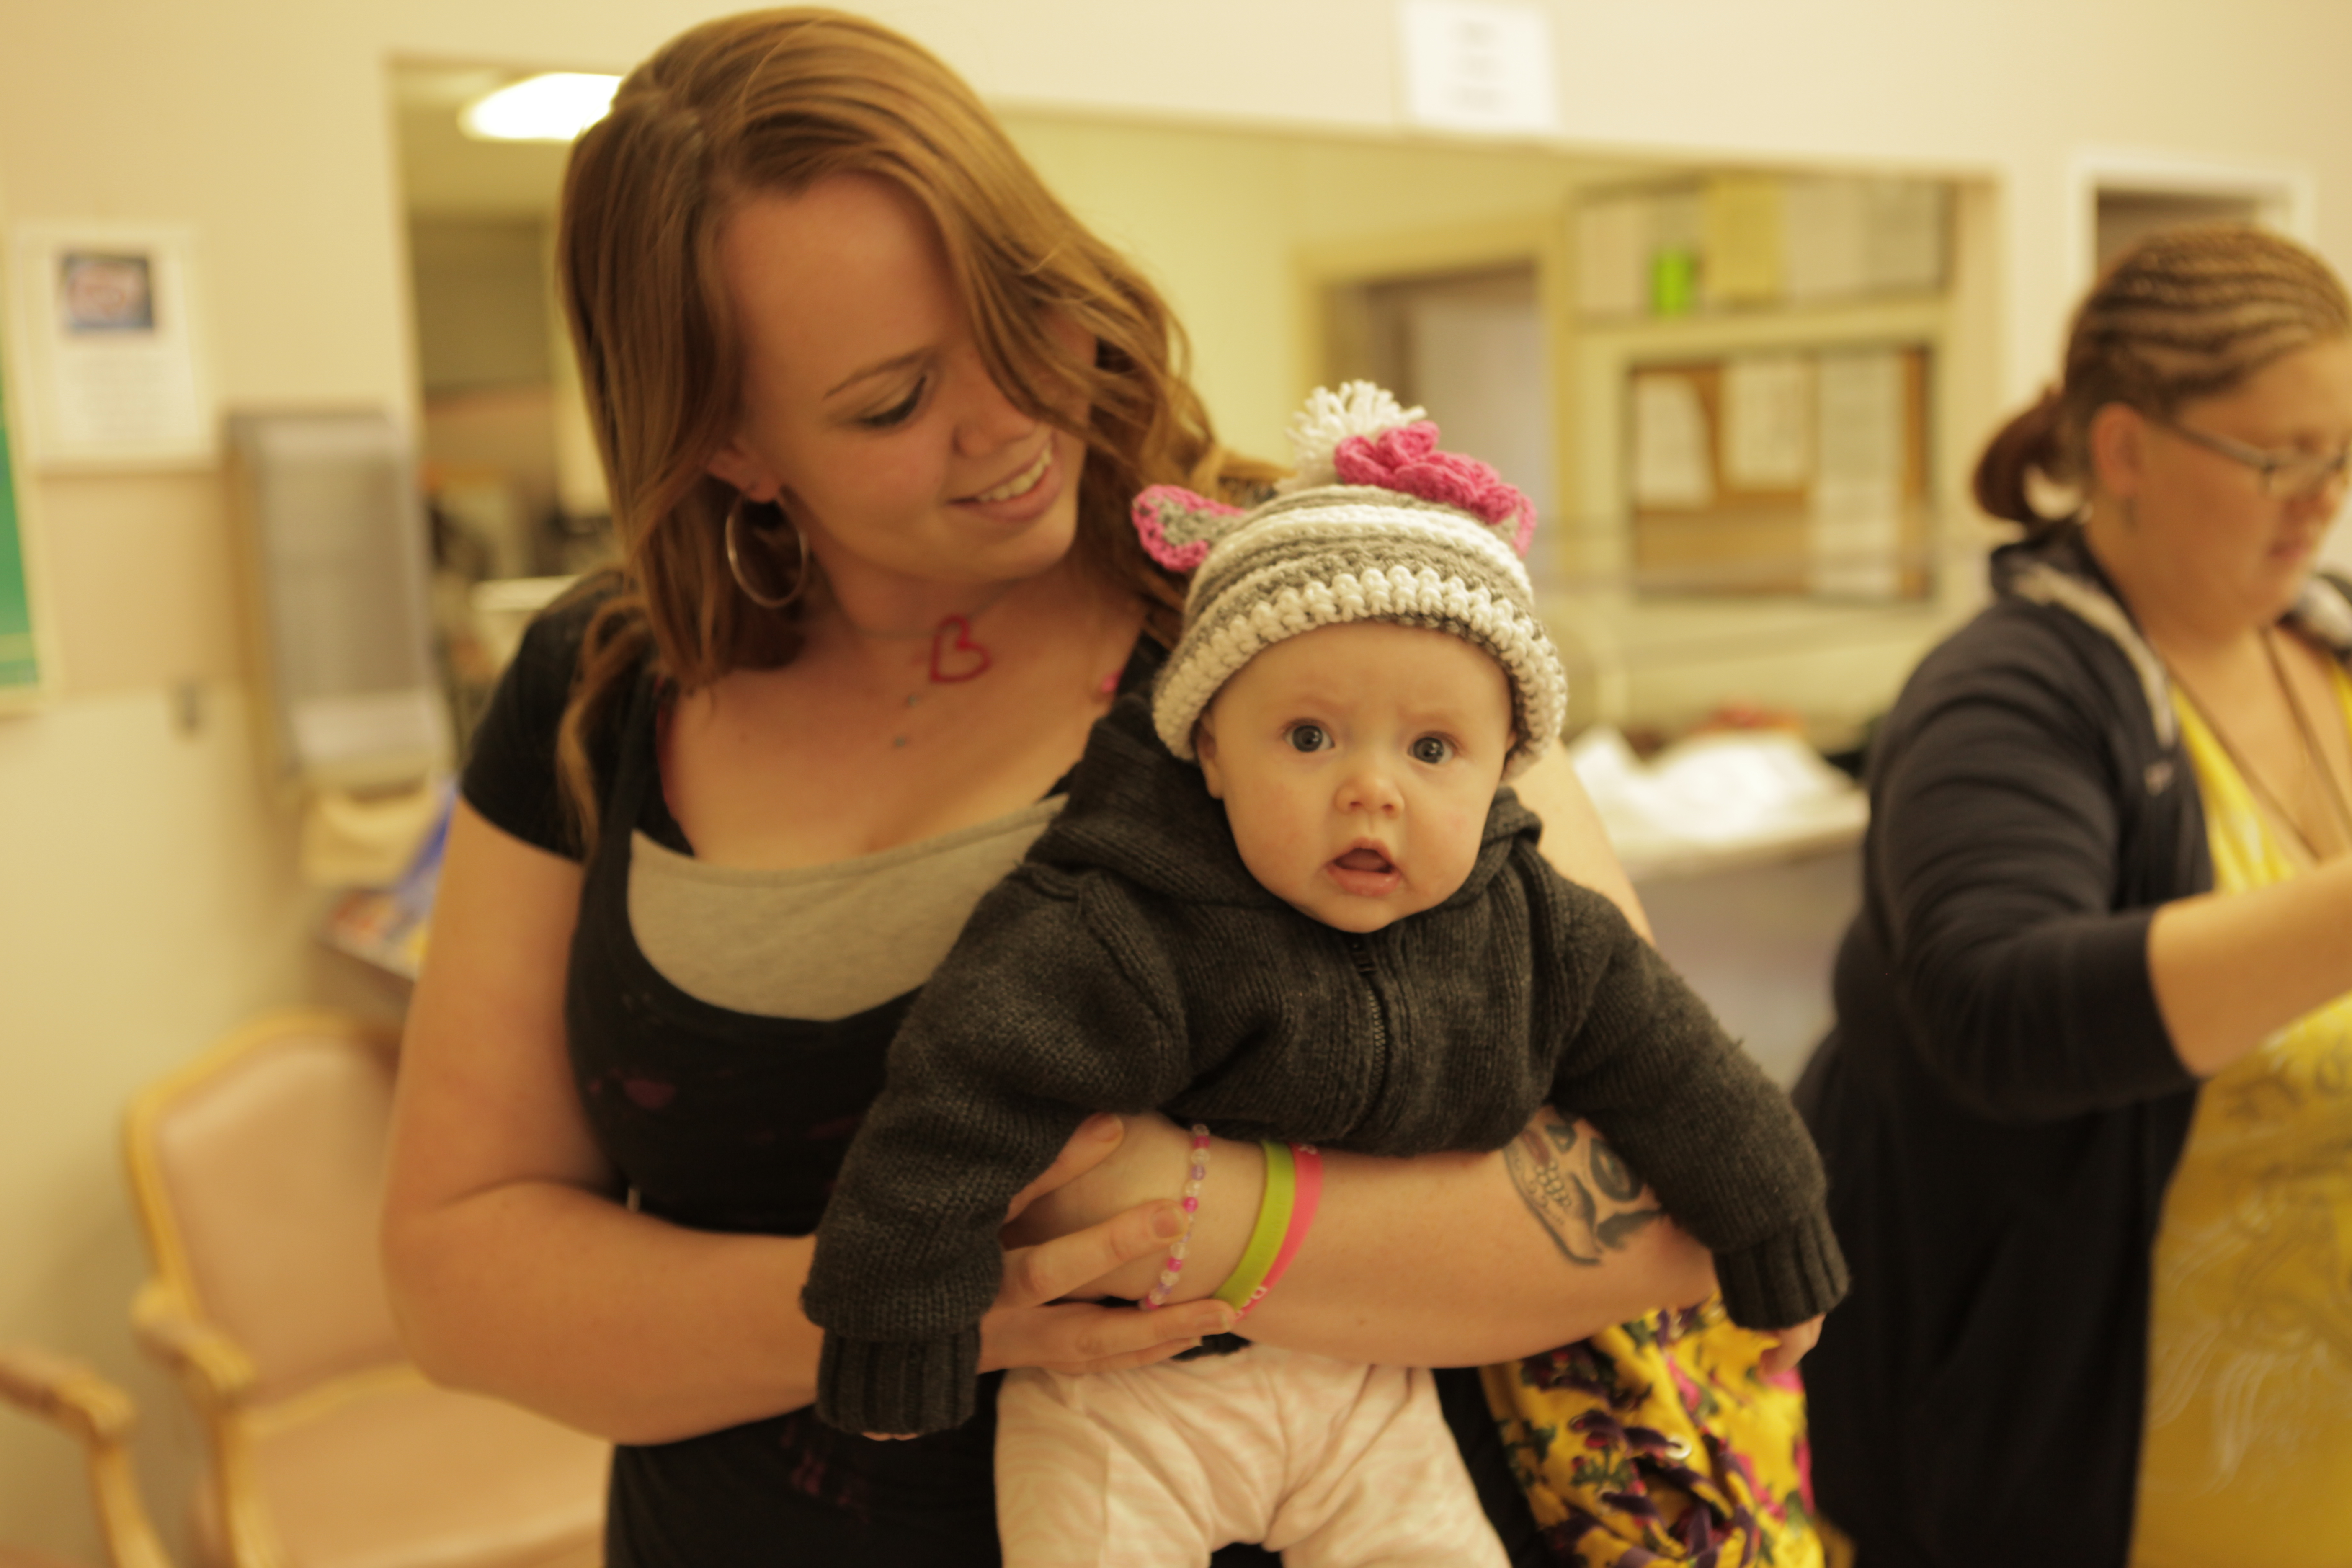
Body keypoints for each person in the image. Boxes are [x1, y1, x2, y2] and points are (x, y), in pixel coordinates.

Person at [378, 11, 1725, 1567]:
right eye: (892, 402)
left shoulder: (1320, 606)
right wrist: (918, 1298)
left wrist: (1195, 1220)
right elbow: (455, 1272)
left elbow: (1654, 1176)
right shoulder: (601, 683)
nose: (1015, 418)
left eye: (1030, 313)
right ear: (733, 445)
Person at [802, 383, 1848, 1566]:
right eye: (1308, 739)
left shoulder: (1536, 937)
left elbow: (1680, 1065)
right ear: (1208, 745)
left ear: (1506, 765)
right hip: (1133, 1397)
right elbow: (960, 1091)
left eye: (1434, 748)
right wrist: (897, 1311)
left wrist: (1778, 1218)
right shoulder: (1130, 922)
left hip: (1375, 1391)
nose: (1373, 789)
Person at [1795, 223, 2352, 1567]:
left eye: (2343, 457)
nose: (2321, 499)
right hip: (2097, 1471)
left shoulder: (2325, 643)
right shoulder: (2015, 691)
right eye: (2283, 459)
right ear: (2124, 451)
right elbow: (1998, 1011)